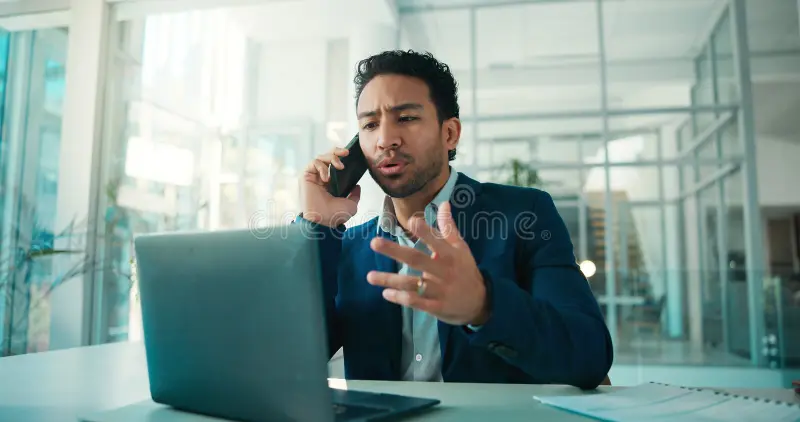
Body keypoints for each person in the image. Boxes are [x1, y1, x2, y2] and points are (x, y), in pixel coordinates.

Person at [295, 50, 612, 389]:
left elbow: (588, 354)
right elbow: (293, 357)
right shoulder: (347, 246)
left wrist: (485, 307)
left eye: (406, 118)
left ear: (449, 134)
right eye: (370, 125)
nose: (386, 140)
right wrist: (317, 227)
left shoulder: (525, 214)